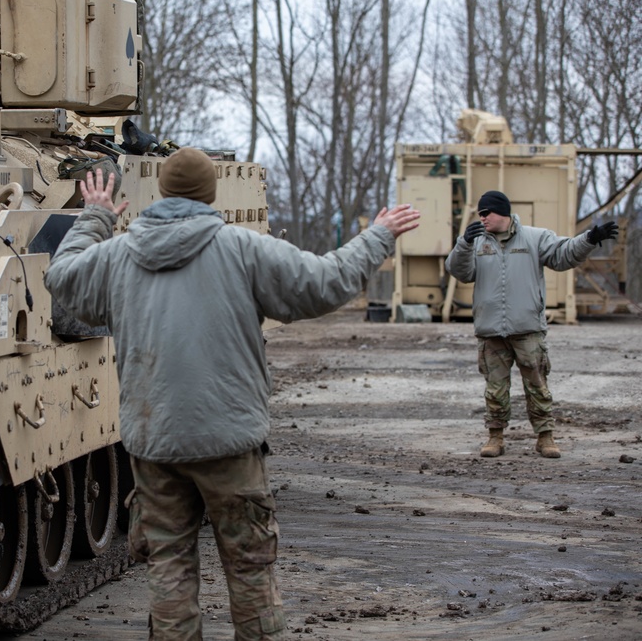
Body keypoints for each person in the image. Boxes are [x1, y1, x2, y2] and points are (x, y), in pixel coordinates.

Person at [43, 147, 421, 640]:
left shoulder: (118, 254)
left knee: (169, 570)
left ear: (162, 192)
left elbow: (61, 279)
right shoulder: (243, 248)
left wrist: (95, 215)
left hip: (154, 443)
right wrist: (379, 235)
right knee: (250, 570)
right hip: (230, 443)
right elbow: (327, 282)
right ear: (210, 193)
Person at [445, 189, 619, 459]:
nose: (481, 218)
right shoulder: (477, 243)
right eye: (480, 213)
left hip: (527, 328)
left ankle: (545, 438)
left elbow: (563, 255)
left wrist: (590, 239)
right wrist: (463, 244)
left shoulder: (535, 237)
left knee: (537, 386)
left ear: (501, 211)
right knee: (495, 389)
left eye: (485, 212)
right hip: (491, 331)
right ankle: (495, 437)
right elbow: (460, 272)